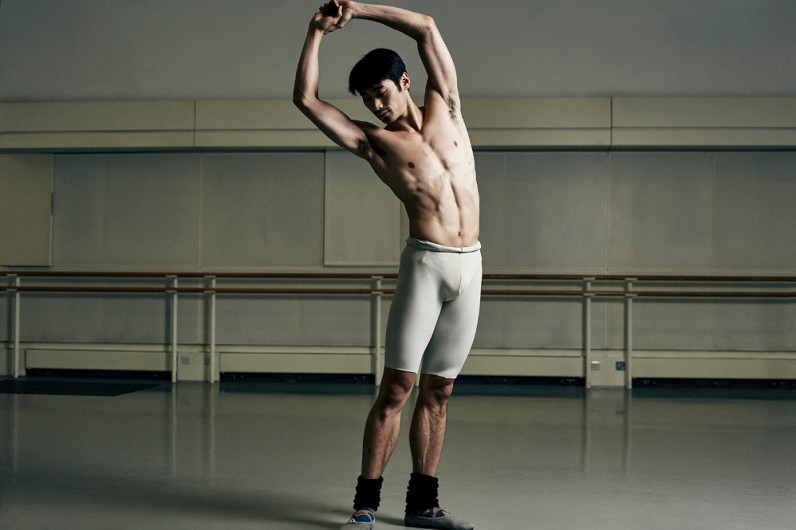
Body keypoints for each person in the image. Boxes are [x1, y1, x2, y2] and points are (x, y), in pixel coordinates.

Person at [294, 2, 480, 528]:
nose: (375, 104)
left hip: (472, 268)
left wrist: (359, 9)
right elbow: (305, 99)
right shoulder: (375, 143)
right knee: (397, 388)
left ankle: (423, 504)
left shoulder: (447, 105)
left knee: (439, 391)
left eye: (381, 91)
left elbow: (426, 26)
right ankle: (365, 505)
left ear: (403, 81)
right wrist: (316, 33)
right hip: (426, 265)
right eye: (367, 98)